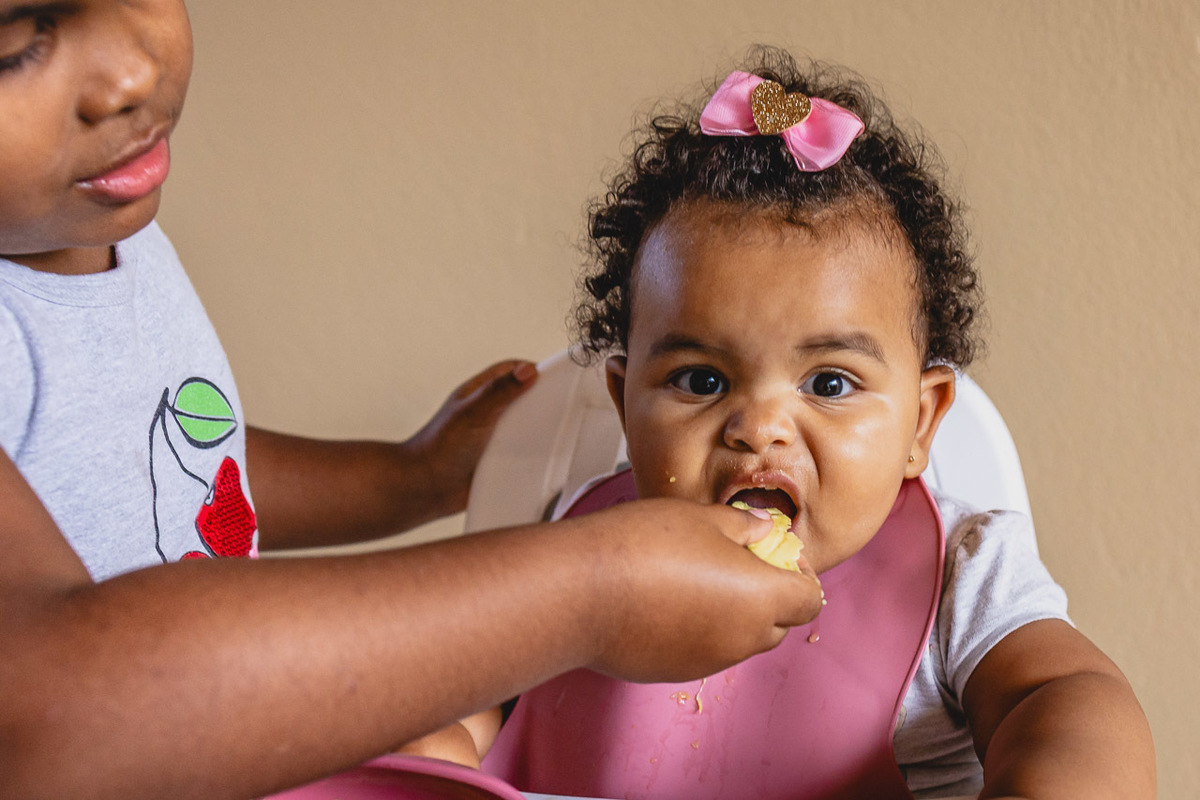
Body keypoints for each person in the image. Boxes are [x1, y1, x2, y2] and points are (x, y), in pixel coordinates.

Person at [0, 6, 828, 798]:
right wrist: (591, 593)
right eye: (14, 44)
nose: (130, 75)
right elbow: (46, 708)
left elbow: (160, 461)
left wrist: (407, 480)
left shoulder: (99, 224)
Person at [409, 48, 1156, 799]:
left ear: (920, 422)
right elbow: (449, 704)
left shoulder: (963, 576)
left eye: (829, 383)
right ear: (624, 404)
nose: (759, 426)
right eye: (701, 380)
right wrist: (435, 752)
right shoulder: (573, 546)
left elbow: (1067, 699)